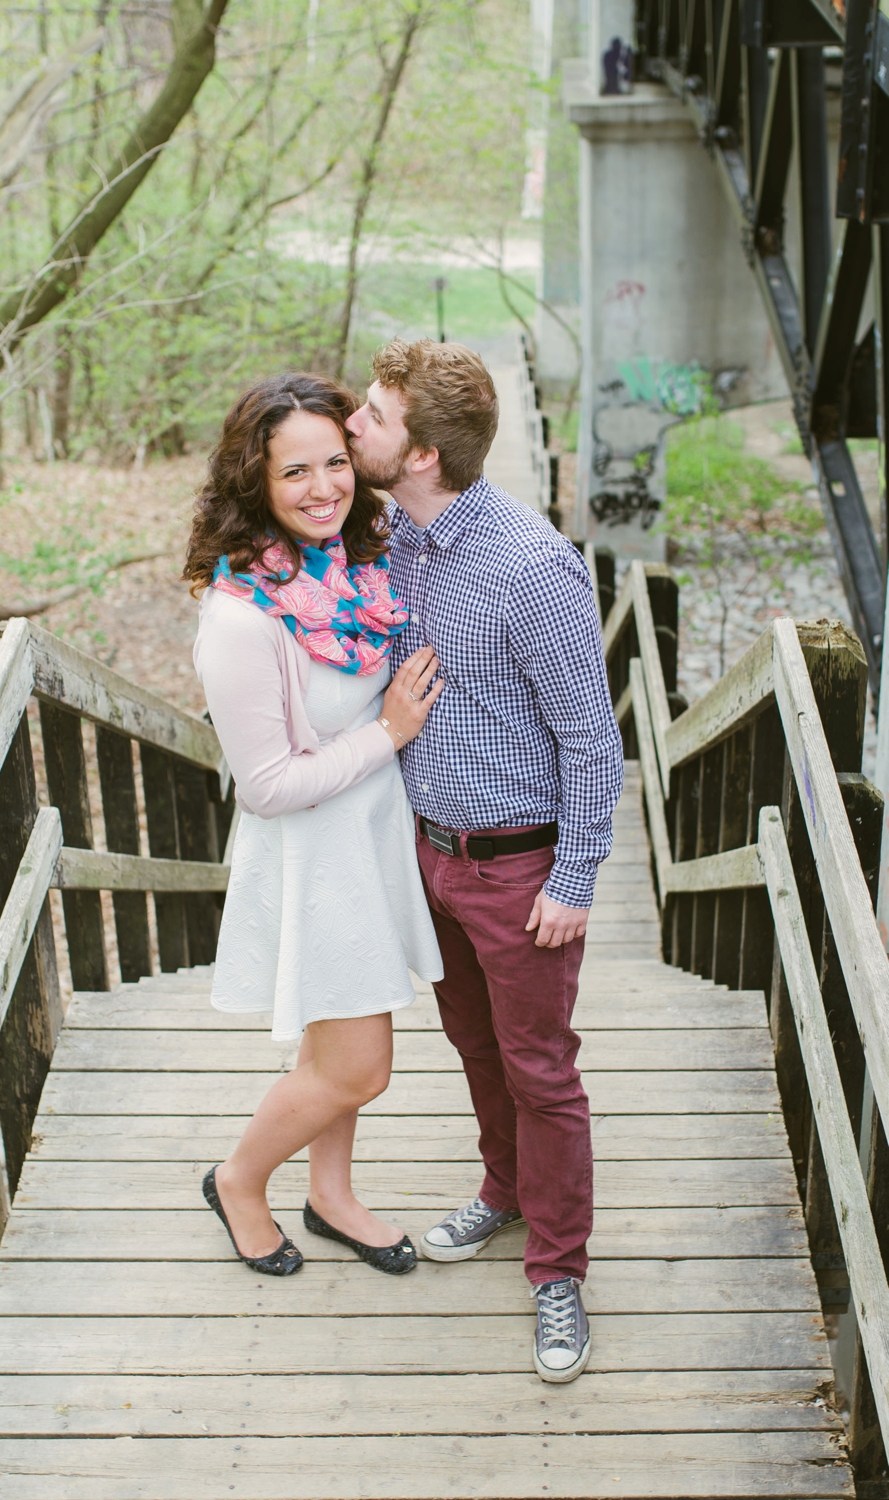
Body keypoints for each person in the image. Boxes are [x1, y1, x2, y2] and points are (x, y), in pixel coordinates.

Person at [345, 338, 623, 1382]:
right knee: (476, 1049)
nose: (353, 424)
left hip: (521, 871)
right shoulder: (397, 537)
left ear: (421, 453)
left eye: (372, 415)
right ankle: (503, 1193)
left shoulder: (530, 567)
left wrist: (575, 877)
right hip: (432, 861)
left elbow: (594, 739)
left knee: (542, 1072)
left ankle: (557, 1271)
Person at [184, 371, 444, 1278]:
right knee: (357, 1065)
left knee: (334, 1044)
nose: (324, 487)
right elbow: (264, 785)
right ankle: (238, 1180)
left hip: (367, 841)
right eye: (295, 472)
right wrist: (388, 733)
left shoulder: (355, 566)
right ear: (253, 481)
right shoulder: (240, 616)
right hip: (314, 854)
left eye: (336, 461)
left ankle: (331, 1194)